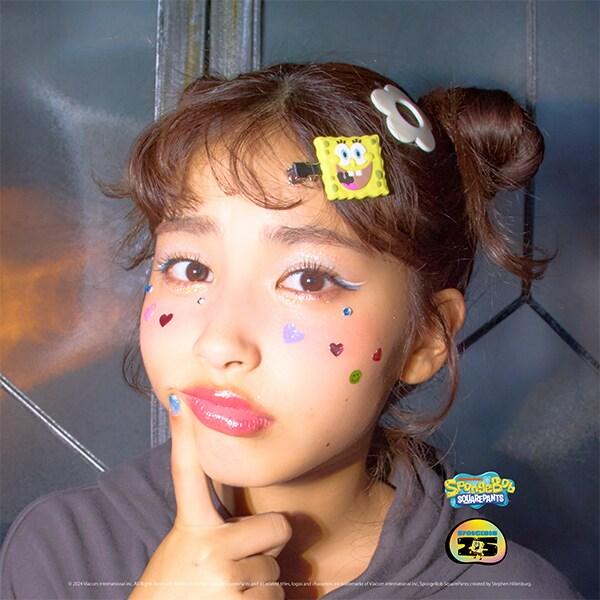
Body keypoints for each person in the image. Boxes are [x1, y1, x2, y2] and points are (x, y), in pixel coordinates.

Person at [0, 63, 582, 599]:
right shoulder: (65, 555)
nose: (218, 343)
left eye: (308, 279)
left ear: (426, 336)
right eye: (190, 269)